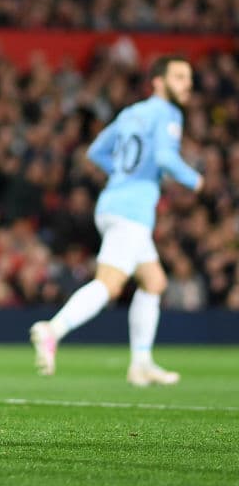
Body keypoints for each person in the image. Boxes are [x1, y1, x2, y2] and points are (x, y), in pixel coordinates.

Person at [30, 55, 203, 386]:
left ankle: (140, 363)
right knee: (109, 284)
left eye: (189, 77)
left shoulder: (130, 113)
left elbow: (96, 151)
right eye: (180, 77)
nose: (187, 84)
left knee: (154, 281)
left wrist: (125, 176)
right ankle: (53, 329)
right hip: (132, 212)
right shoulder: (167, 114)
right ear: (158, 81)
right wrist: (196, 180)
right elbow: (166, 157)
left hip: (112, 203)